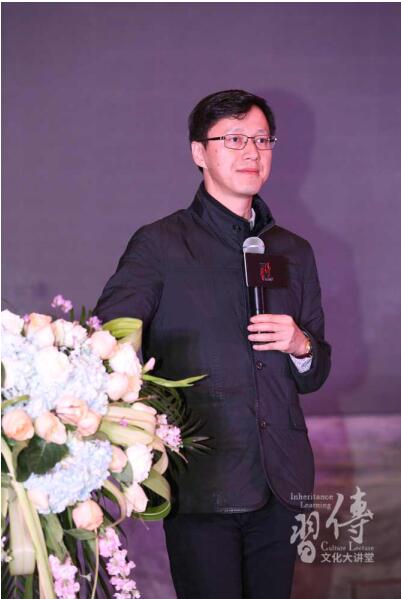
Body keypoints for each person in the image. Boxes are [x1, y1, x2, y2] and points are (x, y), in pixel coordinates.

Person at [95, 89, 331, 599]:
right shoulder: (160, 244)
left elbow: (316, 370)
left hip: (281, 481)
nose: (252, 152)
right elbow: (110, 340)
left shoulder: (293, 250)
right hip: (203, 481)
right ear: (199, 152)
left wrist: (301, 345)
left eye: (262, 140)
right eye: (234, 139)